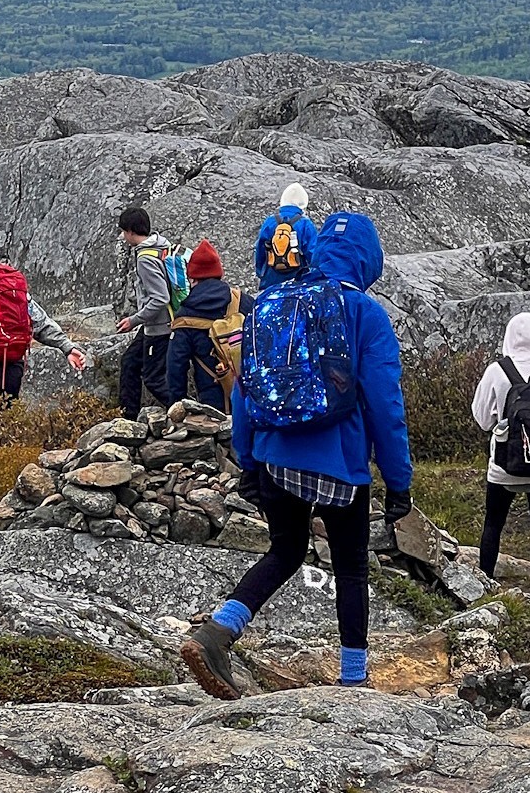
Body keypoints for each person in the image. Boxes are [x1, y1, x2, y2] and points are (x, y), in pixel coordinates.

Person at [180, 211, 413, 698]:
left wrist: (246, 458)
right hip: (339, 462)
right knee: (350, 566)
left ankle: (216, 633)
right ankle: (354, 681)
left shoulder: (269, 302)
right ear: (370, 261)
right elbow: (385, 404)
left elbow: (244, 389)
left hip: (272, 456)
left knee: (285, 550)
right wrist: (398, 481)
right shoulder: (364, 313)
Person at [470, 311, 530, 593]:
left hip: (504, 465)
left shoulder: (498, 371)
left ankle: (485, 586)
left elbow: (482, 418)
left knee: (493, 525)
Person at [0, 244, 86, 396]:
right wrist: (67, 348)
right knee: (8, 417)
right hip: (14, 365)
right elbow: (40, 322)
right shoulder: (12, 285)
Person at [166, 239, 239, 411]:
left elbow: (176, 366)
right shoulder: (241, 301)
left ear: (192, 278)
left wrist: (177, 407)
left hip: (212, 404)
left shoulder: (185, 315)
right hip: (249, 398)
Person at [116, 206, 174, 420]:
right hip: (156, 324)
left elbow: (160, 298)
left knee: (153, 378)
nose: (123, 236)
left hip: (160, 327)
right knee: (129, 362)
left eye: (124, 232)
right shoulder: (162, 246)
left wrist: (134, 320)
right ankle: (127, 418)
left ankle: (186, 410)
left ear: (131, 231)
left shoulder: (145, 259)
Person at [253, 182, 319, 290]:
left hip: (271, 280)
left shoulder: (270, 222)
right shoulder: (306, 224)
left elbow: (260, 249)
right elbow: (313, 254)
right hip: (298, 281)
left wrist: (260, 273)